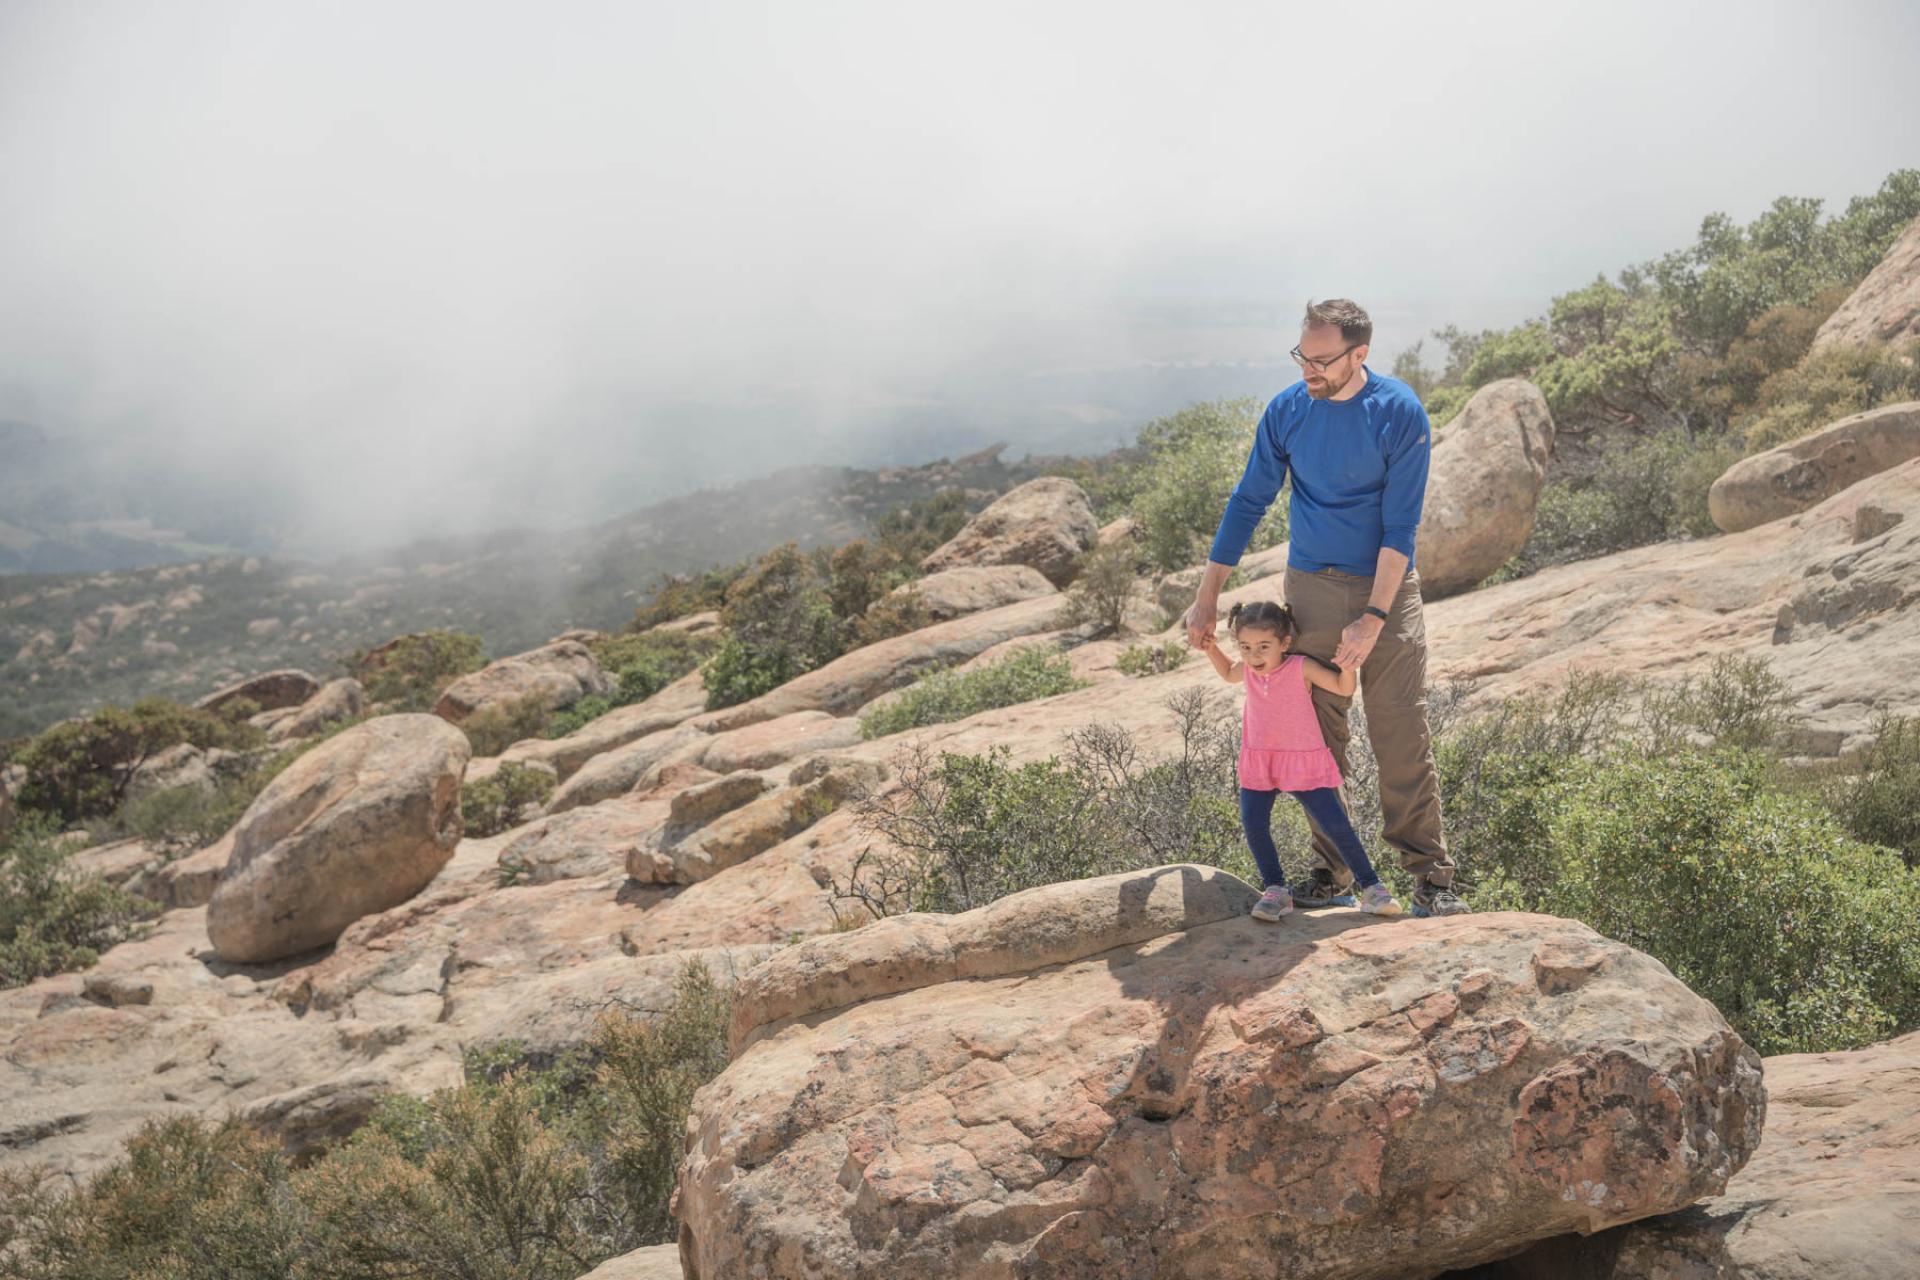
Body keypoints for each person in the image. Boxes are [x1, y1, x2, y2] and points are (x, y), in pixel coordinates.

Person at [1183, 298, 1468, 918]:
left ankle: (1431, 878)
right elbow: (1248, 499)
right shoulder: (1288, 410)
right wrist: (1207, 595)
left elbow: (1401, 527)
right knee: (1313, 733)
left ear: (1358, 354)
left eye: (1321, 359)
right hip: (1309, 587)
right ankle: (1332, 871)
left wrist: (1374, 616)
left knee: (1399, 729)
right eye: (1301, 356)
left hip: (1385, 589)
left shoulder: (1398, 412)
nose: (1307, 369)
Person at [1199, 600, 1403, 922]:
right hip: (1260, 760)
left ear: (1285, 643)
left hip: (1301, 760)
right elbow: (1226, 672)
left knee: (1336, 825)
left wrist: (1348, 667)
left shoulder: (1299, 667)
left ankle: (1373, 889)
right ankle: (1275, 891)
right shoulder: (1248, 671)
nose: (1255, 656)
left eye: (1264, 646)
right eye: (1246, 647)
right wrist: (1211, 648)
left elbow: (1340, 686)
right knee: (1254, 824)